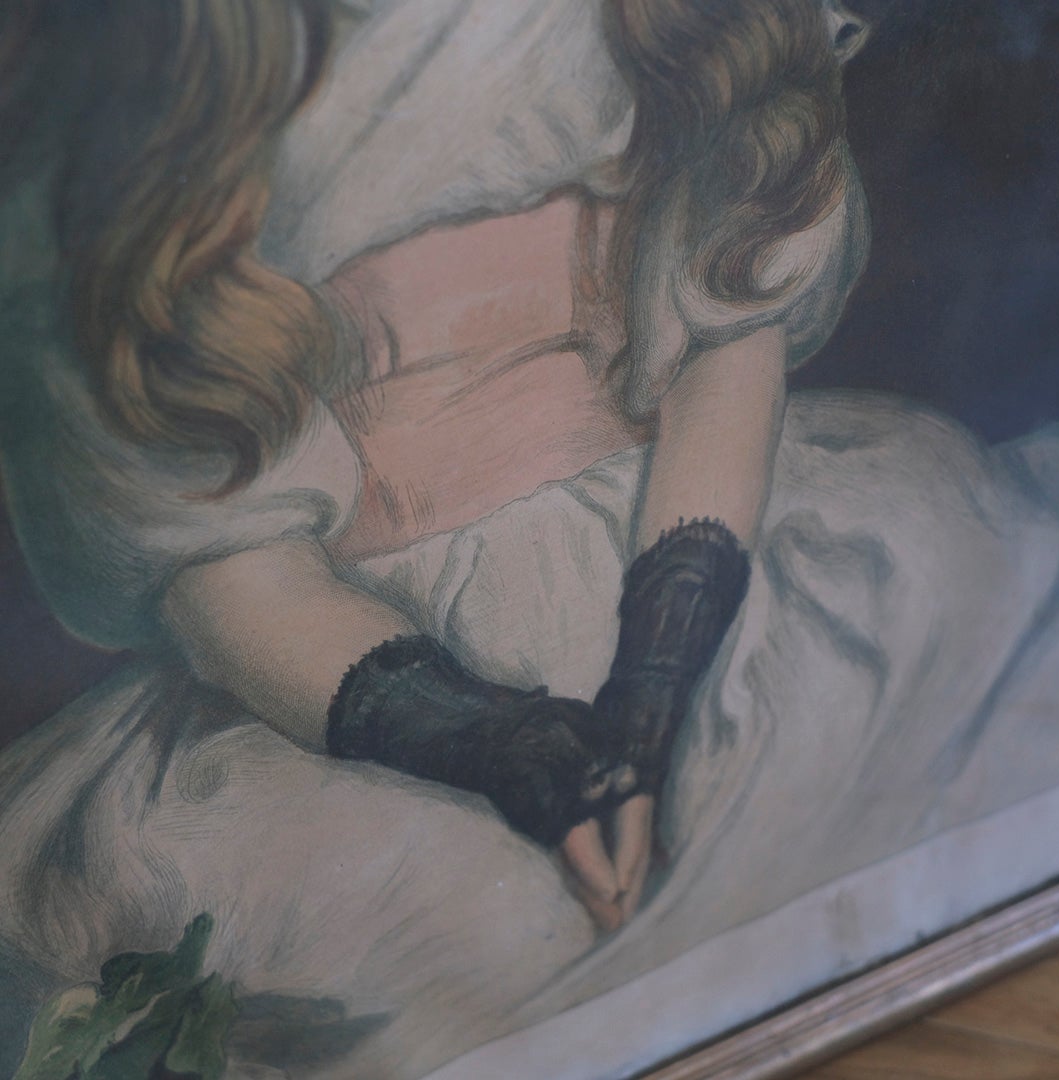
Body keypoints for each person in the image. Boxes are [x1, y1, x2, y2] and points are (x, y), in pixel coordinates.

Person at [0, 0, 869, 933]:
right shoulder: (145, 86)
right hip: (349, 660)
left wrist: (658, 677)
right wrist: (495, 744)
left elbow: (728, 324)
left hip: (682, 538)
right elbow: (220, 565)